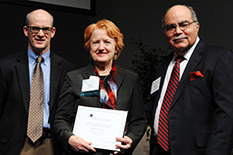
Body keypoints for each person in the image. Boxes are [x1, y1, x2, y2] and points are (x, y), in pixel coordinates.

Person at [145, 4, 233, 155]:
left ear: (197, 26)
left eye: (183, 24)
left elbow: (227, 113)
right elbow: (152, 106)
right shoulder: (162, 66)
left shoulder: (218, 58)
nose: (178, 31)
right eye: (171, 27)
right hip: (160, 150)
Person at [53, 19, 147, 155]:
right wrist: (70, 138)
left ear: (116, 47)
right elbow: (61, 119)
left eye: (107, 42)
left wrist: (130, 139)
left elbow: (139, 120)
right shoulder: (74, 78)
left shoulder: (131, 79)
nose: (101, 47)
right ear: (89, 46)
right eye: (95, 42)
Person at [0, 9, 75, 155]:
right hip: (14, 146)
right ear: (26, 30)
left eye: (45, 29)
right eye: (35, 28)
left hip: (51, 145)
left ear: (52, 32)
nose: (40, 34)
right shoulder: (6, 66)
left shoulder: (66, 69)